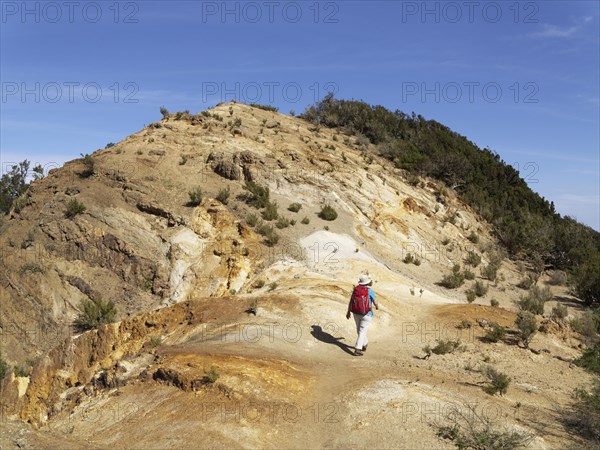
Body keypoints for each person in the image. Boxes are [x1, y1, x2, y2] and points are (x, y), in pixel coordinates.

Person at [346, 274, 379, 356]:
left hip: (356, 313)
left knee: (359, 331)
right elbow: (375, 301)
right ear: (367, 282)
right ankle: (357, 349)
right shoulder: (369, 290)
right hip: (367, 314)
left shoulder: (356, 289)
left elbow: (351, 301)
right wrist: (377, 307)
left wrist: (348, 311)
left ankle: (365, 343)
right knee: (362, 331)